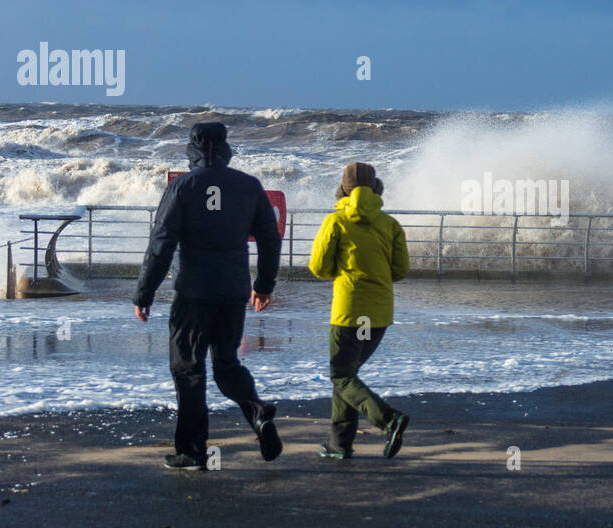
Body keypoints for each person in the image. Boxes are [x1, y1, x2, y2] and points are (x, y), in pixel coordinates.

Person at [132, 122, 283, 470]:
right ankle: (258, 414)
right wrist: (264, 285)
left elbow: (161, 244)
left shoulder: (183, 187)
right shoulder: (248, 186)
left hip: (193, 294)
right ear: (226, 147)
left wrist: (144, 292)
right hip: (233, 293)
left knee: (188, 368)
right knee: (227, 365)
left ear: (193, 148)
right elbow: (270, 239)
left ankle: (192, 450)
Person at [308, 162, 411, 459]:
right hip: (377, 316)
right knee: (348, 376)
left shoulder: (336, 221)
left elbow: (318, 267)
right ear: (377, 188)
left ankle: (389, 420)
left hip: (349, 313)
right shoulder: (389, 224)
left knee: (341, 376)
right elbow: (400, 270)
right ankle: (339, 444)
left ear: (342, 189)